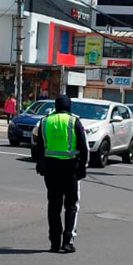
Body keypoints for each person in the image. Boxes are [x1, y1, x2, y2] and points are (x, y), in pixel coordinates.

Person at [35, 95, 88, 253]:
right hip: (70, 168)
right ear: (69, 106)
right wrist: (83, 167)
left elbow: (39, 145)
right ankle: (67, 241)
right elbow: (83, 147)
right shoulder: (73, 121)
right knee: (71, 206)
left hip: (51, 169)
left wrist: (40, 162)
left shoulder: (45, 121)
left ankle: (54, 242)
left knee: (54, 206)